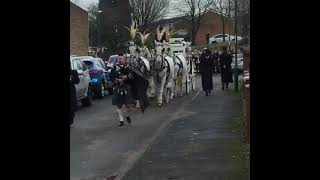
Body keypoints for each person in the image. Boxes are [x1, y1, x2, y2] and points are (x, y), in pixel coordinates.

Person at [70, 61, 80, 125]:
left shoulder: (73, 72)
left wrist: (72, 79)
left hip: (71, 92)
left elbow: (77, 81)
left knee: (71, 107)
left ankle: (71, 119)